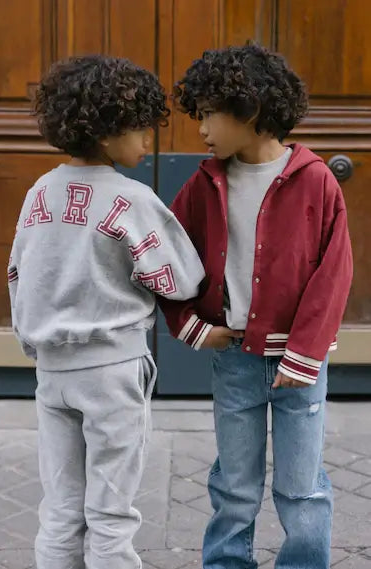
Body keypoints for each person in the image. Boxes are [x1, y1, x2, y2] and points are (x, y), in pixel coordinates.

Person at [159, 42, 353, 569]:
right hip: (236, 360)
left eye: (208, 115)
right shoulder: (203, 185)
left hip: (301, 365)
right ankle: (225, 563)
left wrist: (304, 353)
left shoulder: (314, 180)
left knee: (302, 484)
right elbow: (167, 263)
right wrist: (194, 327)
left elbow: (333, 274)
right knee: (235, 482)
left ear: (251, 110)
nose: (200, 129)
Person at [7, 55, 205, 569]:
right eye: (141, 129)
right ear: (108, 130)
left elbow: (19, 276)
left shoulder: (38, 195)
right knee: (111, 513)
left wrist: (35, 345)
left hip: (51, 372)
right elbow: (180, 277)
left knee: (61, 507)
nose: (148, 141)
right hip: (113, 371)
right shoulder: (131, 199)